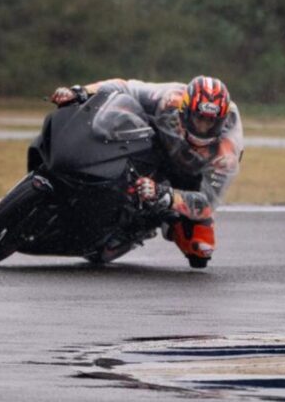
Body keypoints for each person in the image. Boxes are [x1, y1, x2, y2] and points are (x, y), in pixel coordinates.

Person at [50, 76, 243, 269]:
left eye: (211, 122)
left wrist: (165, 195)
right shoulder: (169, 99)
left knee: (200, 248)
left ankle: (142, 225)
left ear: (222, 121)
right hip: (155, 148)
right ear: (185, 110)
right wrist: (81, 91)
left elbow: (207, 202)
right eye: (199, 118)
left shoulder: (227, 153)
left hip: (189, 180)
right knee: (122, 113)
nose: (203, 127)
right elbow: (123, 86)